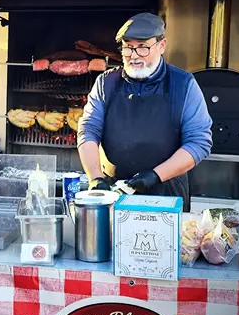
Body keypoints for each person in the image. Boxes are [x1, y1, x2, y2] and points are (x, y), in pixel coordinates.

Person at [77, 13, 212, 211]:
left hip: (167, 193)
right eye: (128, 47)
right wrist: (95, 177)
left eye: (143, 47)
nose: (134, 55)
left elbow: (199, 142)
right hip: (115, 191)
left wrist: (156, 175)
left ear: (162, 45)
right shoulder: (106, 83)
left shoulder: (184, 84)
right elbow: (88, 129)